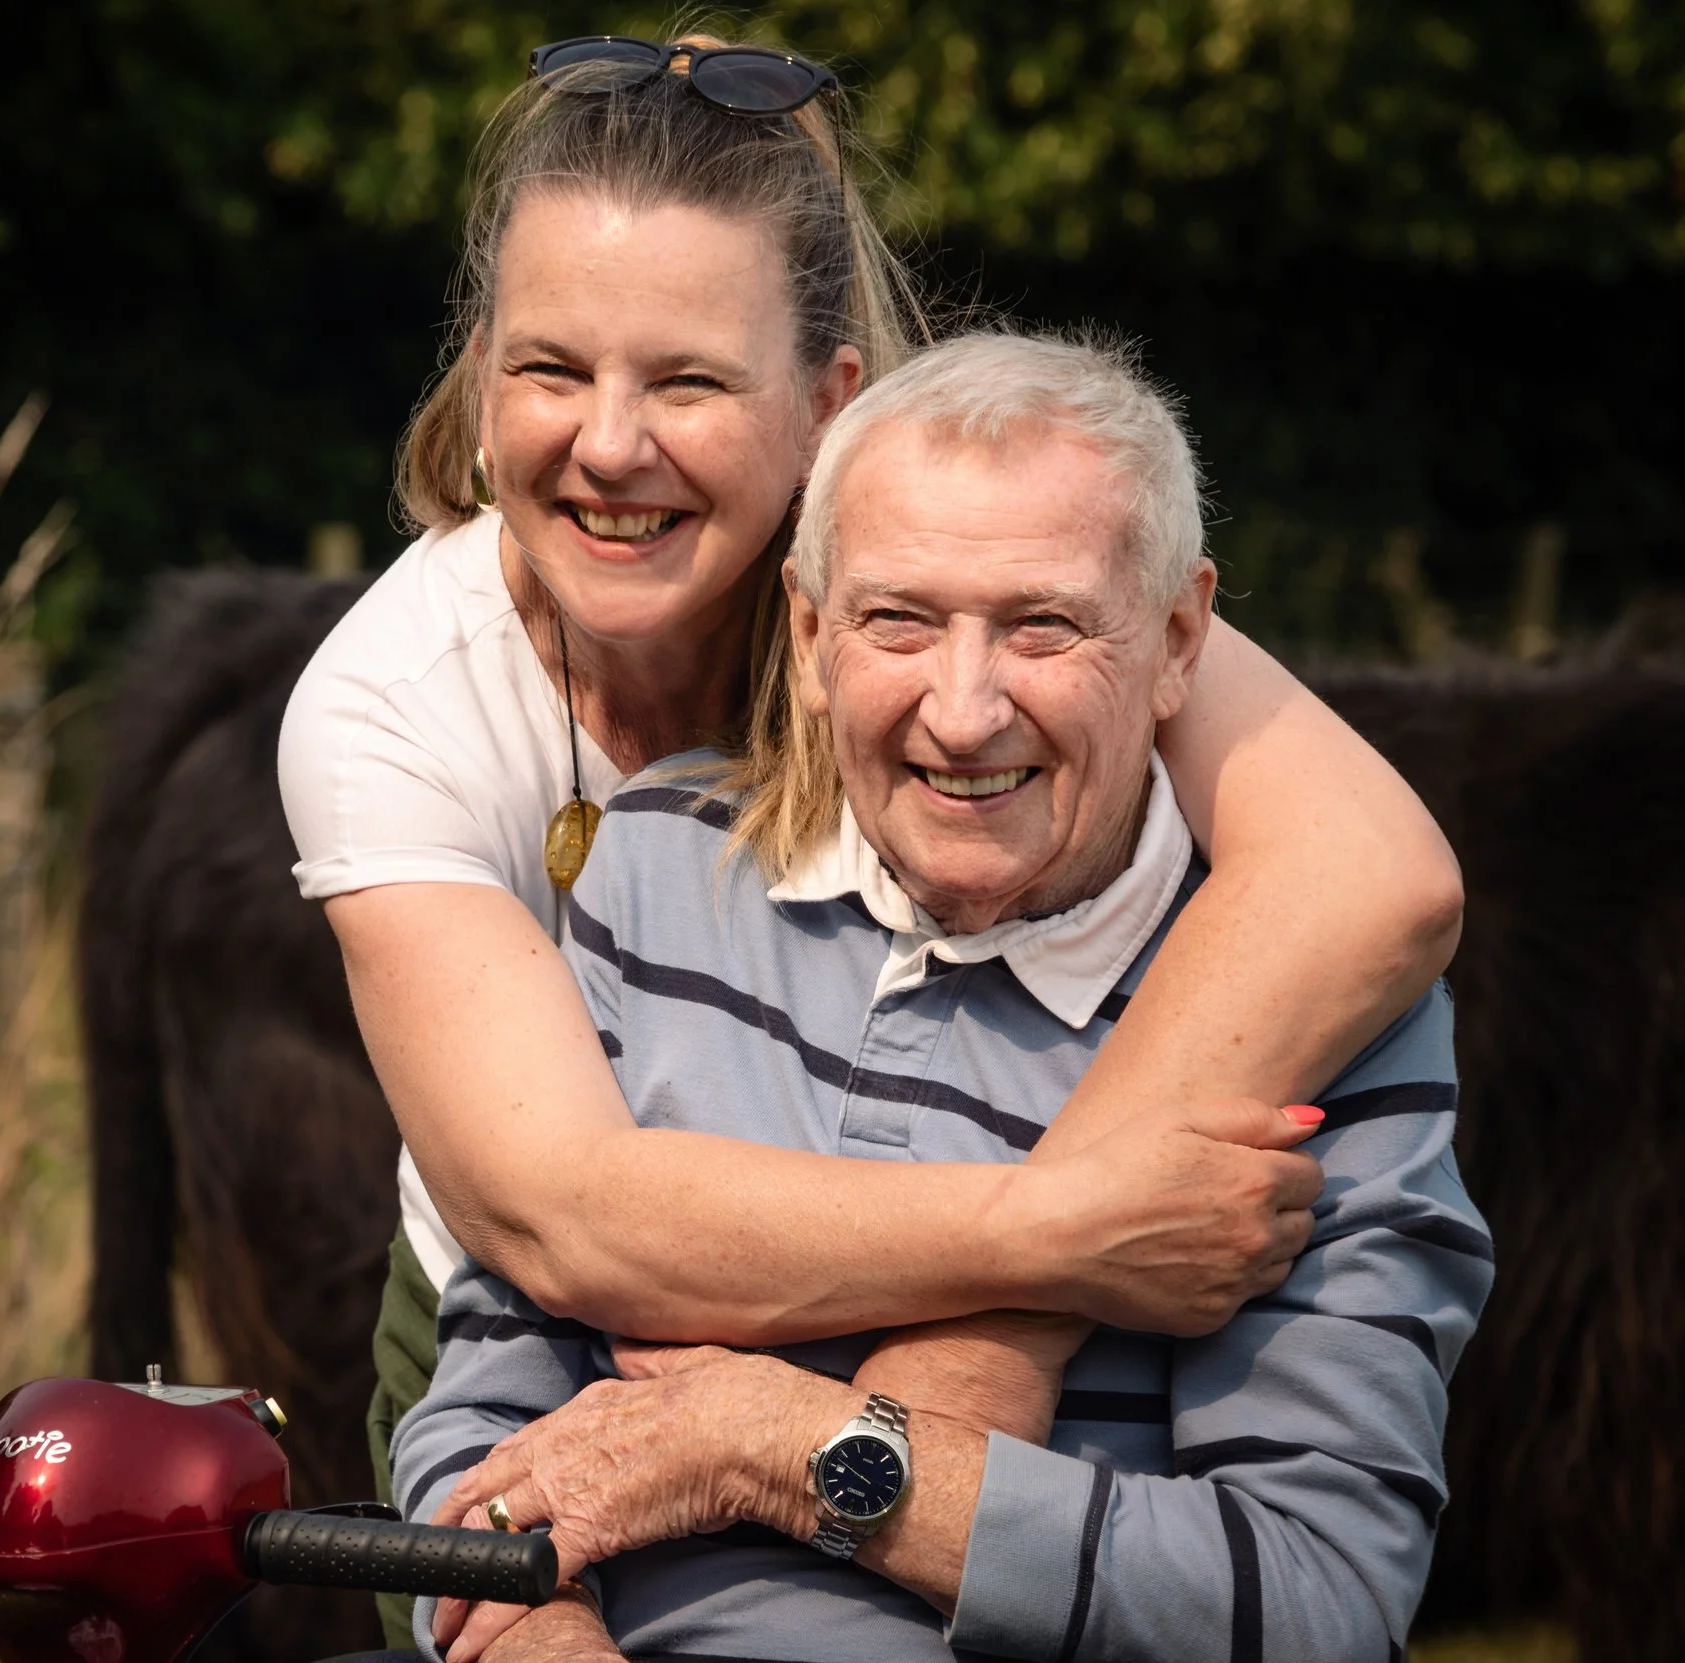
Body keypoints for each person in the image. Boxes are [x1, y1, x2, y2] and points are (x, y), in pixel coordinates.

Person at [274, 34, 1463, 1645]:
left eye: (687, 379)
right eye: (553, 369)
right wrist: (1065, 1243)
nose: (612, 442)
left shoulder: (974, 515)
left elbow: (1371, 872)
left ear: (832, 411)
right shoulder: (442, 733)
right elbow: (557, 1230)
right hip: (544, 1278)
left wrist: (819, 1441)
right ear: (484, 382)